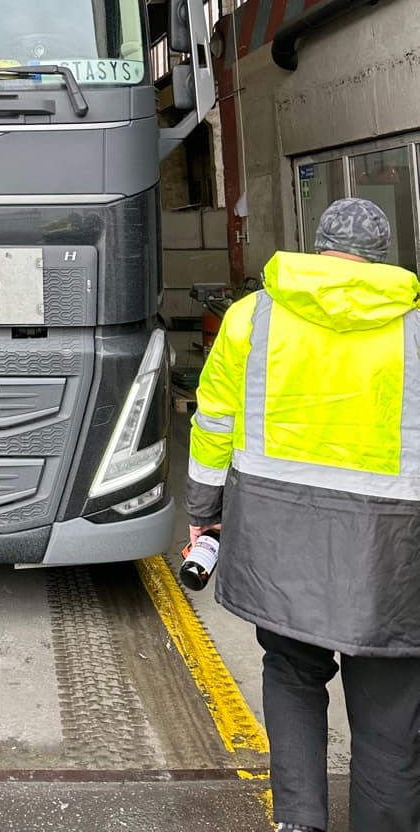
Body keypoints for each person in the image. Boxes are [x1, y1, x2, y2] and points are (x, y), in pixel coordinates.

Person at [186, 197, 420, 832]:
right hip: (390, 554)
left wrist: (204, 512)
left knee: (291, 676)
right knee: (391, 709)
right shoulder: (414, 326)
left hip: (277, 538)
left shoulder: (250, 319)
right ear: (381, 255)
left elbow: (213, 422)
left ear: (319, 248)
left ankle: (299, 821)